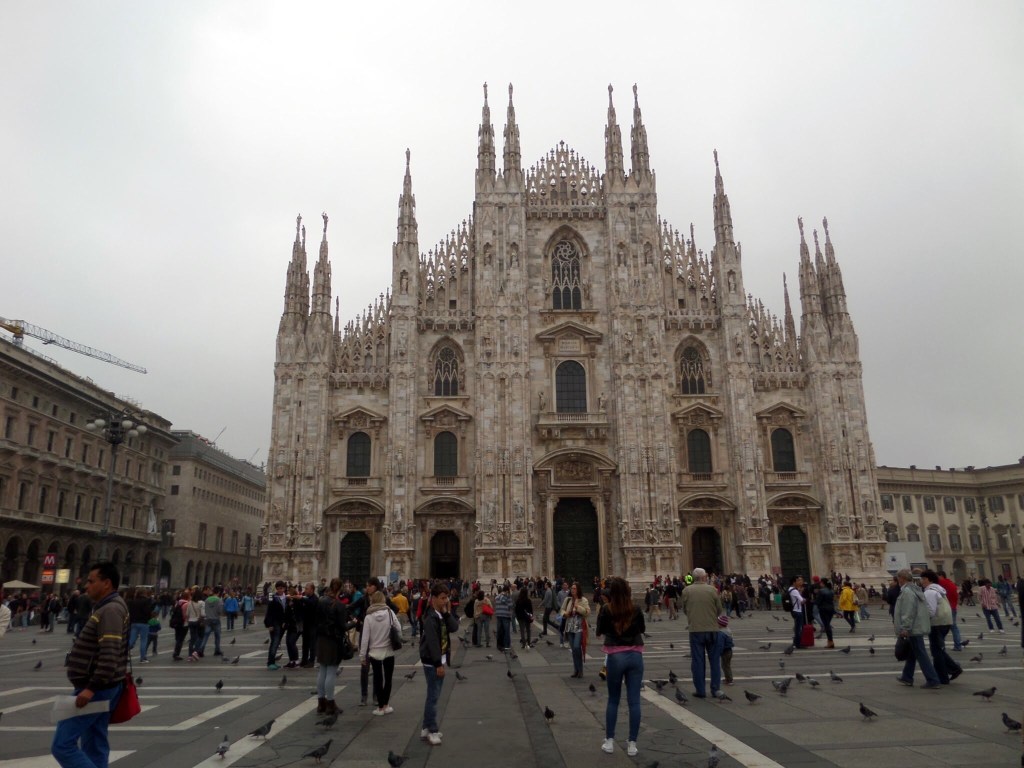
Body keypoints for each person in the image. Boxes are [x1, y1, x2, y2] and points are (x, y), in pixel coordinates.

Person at [51, 562, 129, 768]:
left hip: (96, 689)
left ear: (107, 583)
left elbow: (110, 653)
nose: (87, 586)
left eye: (91, 581)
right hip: (103, 687)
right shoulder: (108, 607)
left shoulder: (111, 610)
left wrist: (91, 688)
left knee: (62, 745)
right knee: (94, 744)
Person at [596, 577, 645, 757]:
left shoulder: (606, 609)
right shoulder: (636, 608)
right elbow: (641, 629)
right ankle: (632, 744)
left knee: (613, 700)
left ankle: (609, 742)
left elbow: (600, 630)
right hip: (635, 656)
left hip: (615, 656)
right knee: (634, 701)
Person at [419, 582, 459, 746]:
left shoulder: (440, 615)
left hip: (438, 659)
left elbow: (454, 628)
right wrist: (438, 665)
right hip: (432, 662)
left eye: (447, 598)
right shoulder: (430, 617)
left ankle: (425, 728)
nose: (445, 601)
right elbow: (433, 642)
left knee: (433, 695)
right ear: (433, 598)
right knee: (433, 698)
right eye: (442, 598)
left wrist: (447, 612)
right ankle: (432, 730)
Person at [681, 568, 724, 698]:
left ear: (693, 578)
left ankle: (700, 690)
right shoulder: (712, 590)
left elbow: (684, 609)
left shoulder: (686, 590)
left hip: (696, 630)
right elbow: (719, 609)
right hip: (712, 629)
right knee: (715, 661)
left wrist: (694, 616)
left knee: (698, 662)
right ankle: (715, 689)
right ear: (705, 577)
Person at [894, 568, 941, 689]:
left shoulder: (907, 592)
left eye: (898, 578)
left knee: (921, 653)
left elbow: (908, 611)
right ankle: (907, 676)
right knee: (912, 653)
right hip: (915, 626)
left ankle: (933, 680)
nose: (898, 581)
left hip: (913, 628)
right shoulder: (914, 589)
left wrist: (905, 627)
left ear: (902, 579)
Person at [360, 590, 400, 716]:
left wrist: (362, 656)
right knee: (388, 679)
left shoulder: (368, 617)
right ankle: (386, 705)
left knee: (377, 679)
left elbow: (365, 638)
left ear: (372, 601)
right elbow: (398, 628)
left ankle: (380, 707)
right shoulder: (390, 612)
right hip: (388, 650)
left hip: (374, 652)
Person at [919, 570, 961, 685]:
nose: (921, 581)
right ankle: (953, 669)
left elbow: (931, 611)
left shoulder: (929, 592)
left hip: (937, 623)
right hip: (945, 621)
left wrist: (921, 620)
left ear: (928, 579)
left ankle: (943, 677)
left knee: (936, 651)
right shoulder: (939, 589)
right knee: (938, 649)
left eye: (923, 579)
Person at [315, 578, 350, 715]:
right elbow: (342, 626)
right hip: (333, 641)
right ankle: (330, 703)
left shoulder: (320, 601)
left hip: (321, 639)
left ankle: (321, 703)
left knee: (322, 670)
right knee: (331, 672)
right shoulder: (339, 605)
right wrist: (354, 623)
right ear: (340, 589)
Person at [560, 582, 590, 678]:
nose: (572, 590)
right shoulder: (568, 600)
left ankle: (580, 670)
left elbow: (587, 612)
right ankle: (576, 670)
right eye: (572, 588)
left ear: (578, 590)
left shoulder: (583, 600)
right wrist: (565, 614)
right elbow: (561, 610)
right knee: (573, 649)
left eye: (574, 588)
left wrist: (577, 607)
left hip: (579, 627)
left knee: (577, 647)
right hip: (569, 626)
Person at [264, 580, 290, 671]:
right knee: (275, 642)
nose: (280, 590)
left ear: (284, 588)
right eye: (278, 588)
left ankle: (272, 662)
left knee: (277, 642)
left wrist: (285, 622)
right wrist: (269, 624)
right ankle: (270, 662)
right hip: (274, 623)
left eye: (281, 588)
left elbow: (287, 612)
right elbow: (269, 612)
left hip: (282, 624)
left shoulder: (287, 598)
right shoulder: (272, 597)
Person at [936, 571, 963, 651]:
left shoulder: (940, 583)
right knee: (954, 627)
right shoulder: (951, 583)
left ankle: (941, 645)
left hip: (945, 608)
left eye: (937, 576)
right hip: (953, 607)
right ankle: (958, 645)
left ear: (941, 576)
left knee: (940, 627)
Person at [126, 587, 154, 664]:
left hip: (134, 623)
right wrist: (149, 618)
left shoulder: (133, 601)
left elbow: (130, 612)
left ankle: (123, 653)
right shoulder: (146, 601)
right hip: (143, 623)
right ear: (144, 593)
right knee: (143, 641)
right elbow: (148, 612)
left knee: (131, 640)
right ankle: (143, 658)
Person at [199, 586, 224, 657]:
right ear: (218, 592)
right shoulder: (219, 600)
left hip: (208, 619)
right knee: (217, 635)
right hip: (216, 619)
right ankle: (217, 650)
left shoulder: (207, 599)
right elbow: (220, 611)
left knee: (206, 635)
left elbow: (205, 610)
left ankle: (201, 649)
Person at [299, 582, 319, 668]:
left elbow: (311, 603)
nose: (305, 590)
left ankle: (311, 661)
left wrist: (301, 598)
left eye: (307, 589)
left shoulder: (315, 598)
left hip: (313, 624)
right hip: (306, 624)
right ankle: (304, 660)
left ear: (312, 590)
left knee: (312, 644)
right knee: (305, 643)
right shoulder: (306, 598)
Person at [815, 578, 837, 649]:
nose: (820, 584)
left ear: (823, 583)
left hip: (823, 609)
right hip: (830, 609)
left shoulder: (821, 591)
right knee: (827, 624)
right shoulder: (831, 591)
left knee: (827, 626)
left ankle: (830, 642)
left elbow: (818, 602)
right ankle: (830, 641)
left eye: (820, 583)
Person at [493, 585, 513, 652]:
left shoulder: (497, 597)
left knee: (499, 630)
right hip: (506, 615)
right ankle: (506, 645)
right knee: (506, 631)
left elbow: (496, 603)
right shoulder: (508, 596)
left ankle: (499, 645)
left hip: (498, 615)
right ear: (507, 590)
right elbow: (511, 605)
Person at [715, 615, 735, 685]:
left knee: (725, 666)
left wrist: (718, 652)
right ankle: (728, 678)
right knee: (727, 665)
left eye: (717, 623)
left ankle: (729, 680)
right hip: (729, 650)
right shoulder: (728, 630)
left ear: (720, 624)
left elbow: (720, 644)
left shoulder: (721, 633)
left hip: (725, 652)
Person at [788, 576, 807, 648]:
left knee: (797, 627)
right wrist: (805, 599)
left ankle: (796, 642)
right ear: (794, 582)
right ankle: (798, 644)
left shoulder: (790, 589)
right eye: (797, 581)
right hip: (798, 611)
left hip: (794, 610)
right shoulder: (794, 591)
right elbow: (802, 601)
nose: (798, 582)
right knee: (799, 628)